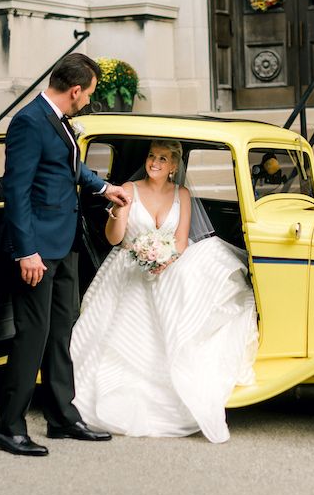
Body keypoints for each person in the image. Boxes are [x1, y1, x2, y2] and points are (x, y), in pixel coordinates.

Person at [70, 139, 258, 443]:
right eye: (151, 157)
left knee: (204, 278)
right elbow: (114, 239)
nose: (154, 163)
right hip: (127, 267)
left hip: (166, 266)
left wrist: (164, 260)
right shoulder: (128, 190)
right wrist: (119, 213)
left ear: (173, 167)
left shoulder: (181, 194)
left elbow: (182, 241)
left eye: (162, 159)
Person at [0, 53, 130, 457]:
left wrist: (104, 188)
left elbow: (67, 168)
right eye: (88, 93)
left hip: (64, 243)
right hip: (37, 250)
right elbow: (16, 191)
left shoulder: (59, 121)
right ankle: (8, 427)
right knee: (31, 338)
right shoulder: (29, 122)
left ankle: (62, 418)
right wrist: (26, 252)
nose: (88, 100)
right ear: (74, 90)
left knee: (60, 334)